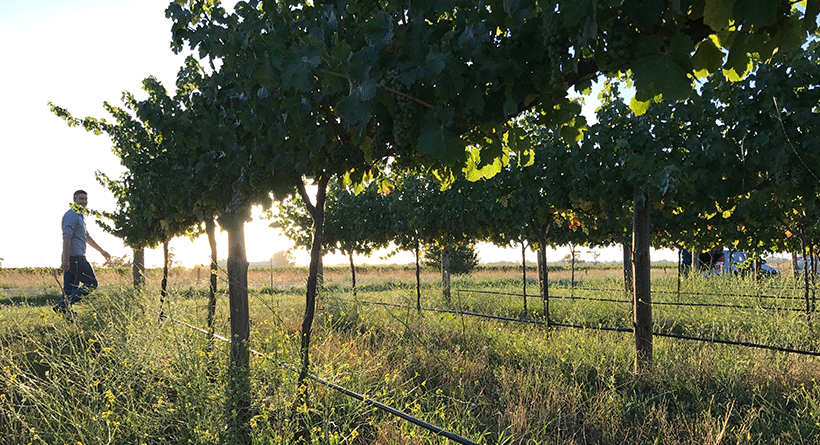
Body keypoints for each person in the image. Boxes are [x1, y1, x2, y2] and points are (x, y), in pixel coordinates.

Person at [54, 190, 111, 313]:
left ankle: (67, 316)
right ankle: (63, 305)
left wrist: (101, 251)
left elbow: (87, 237)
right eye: (81, 199)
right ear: (74, 200)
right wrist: (66, 259)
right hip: (75, 257)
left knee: (69, 290)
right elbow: (66, 237)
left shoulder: (80, 217)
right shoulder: (71, 215)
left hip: (75, 256)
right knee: (92, 283)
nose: (84, 202)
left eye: (85, 199)